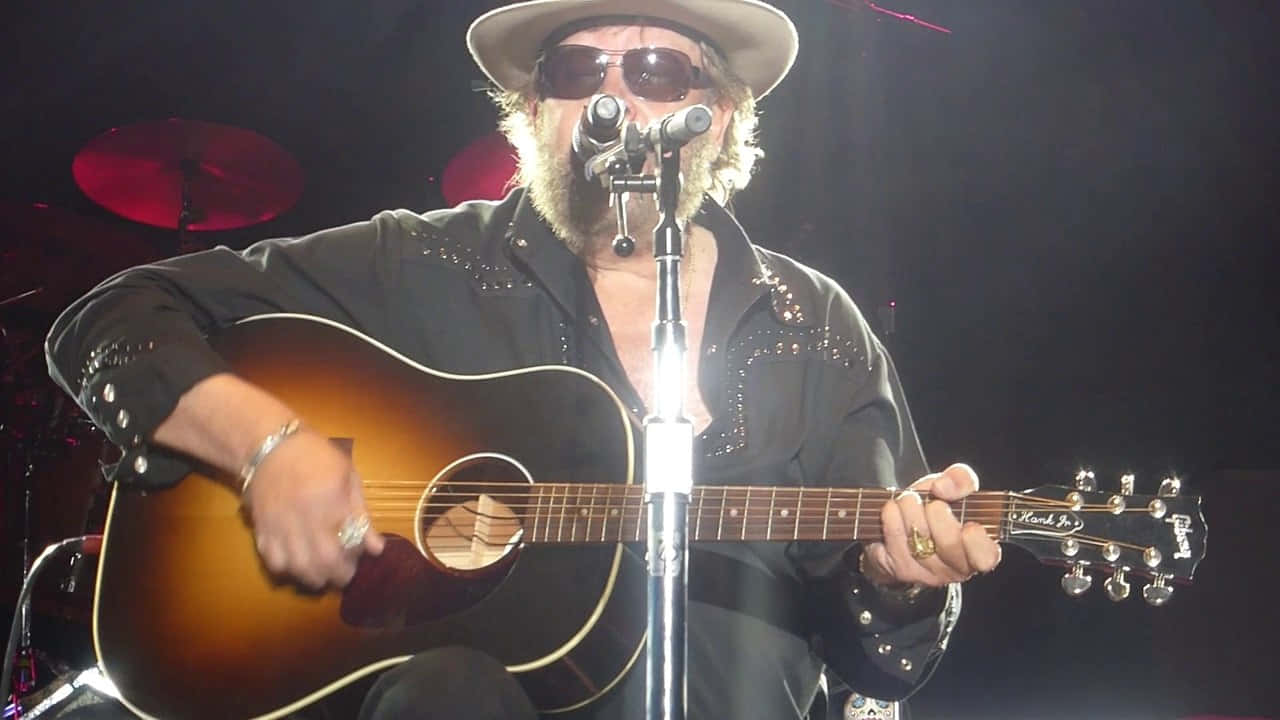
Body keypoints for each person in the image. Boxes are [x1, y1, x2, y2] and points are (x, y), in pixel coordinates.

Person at [45, 1, 1001, 718]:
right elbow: (111, 319)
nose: (613, 95)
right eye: (577, 68)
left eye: (661, 71)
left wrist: (899, 578)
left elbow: (881, 663)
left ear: (720, 112)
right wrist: (267, 448)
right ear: (533, 106)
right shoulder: (421, 260)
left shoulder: (816, 324)